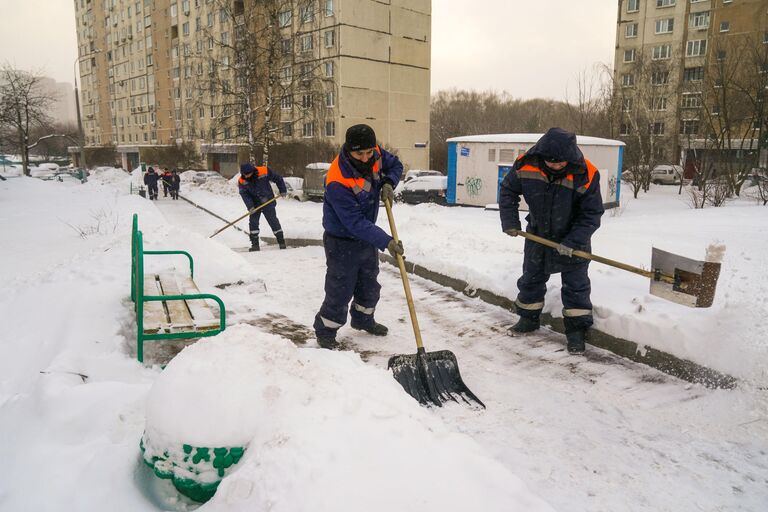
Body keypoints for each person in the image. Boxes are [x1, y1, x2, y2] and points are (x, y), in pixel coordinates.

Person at [499, 127, 604, 354]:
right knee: (531, 277)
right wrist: (510, 221)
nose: (555, 165)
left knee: (576, 286)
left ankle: (576, 331)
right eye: (550, 162)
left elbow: (591, 214)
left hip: (574, 238)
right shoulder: (525, 164)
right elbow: (507, 190)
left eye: (560, 163)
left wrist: (573, 241)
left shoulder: (586, 173)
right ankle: (528, 317)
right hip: (538, 234)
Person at [313, 124, 404, 349]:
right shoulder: (337, 179)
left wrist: (388, 182)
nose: (365, 158)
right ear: (348, 150)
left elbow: (396, 165)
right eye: (359, 153)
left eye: (369, 152)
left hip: (365, 237)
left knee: (369, 283)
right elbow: (354, 223)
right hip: (341, 240)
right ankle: (325, 331)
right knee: (340, 287)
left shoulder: (376, 153)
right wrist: (386, 241)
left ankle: (363, 319)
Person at [238, 162, 287, 251]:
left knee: (273, 221)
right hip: (254, 204)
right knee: (253, 223)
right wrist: (250, 206)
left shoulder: (264, 171)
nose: (247, 176)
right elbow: (244, 195)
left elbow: (278, 178)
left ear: (252, 171)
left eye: (248, 174)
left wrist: (283, 190)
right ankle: (255, 245)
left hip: (267, 201)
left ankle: (281, 242)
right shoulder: (242, 180)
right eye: (245, 174)